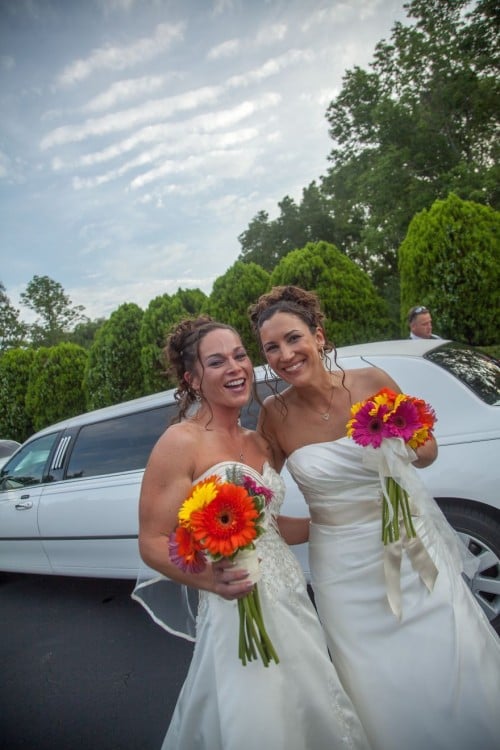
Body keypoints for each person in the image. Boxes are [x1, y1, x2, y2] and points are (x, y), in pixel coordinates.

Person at [248, 286, 500, 750]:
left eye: (293, 338)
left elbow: (427, 452)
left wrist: (397, 442)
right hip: (342, 572)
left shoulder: (370, 382)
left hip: (411, 548)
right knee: (375, 677)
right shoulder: (273, 415)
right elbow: (262, 498)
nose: (285, 354)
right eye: (272, 348)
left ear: (318, 336)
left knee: (446, 656)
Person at [131, 316, 371, 750]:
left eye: (240, 355)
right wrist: (212, 581)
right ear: (193, 379)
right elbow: (151, 542)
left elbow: (269, 528)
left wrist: (339, 520)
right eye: (217, 361)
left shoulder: (260, 443)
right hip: (236, 606)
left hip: (292, 599)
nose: (236, 367)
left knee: (311, 704)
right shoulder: (181, 442)